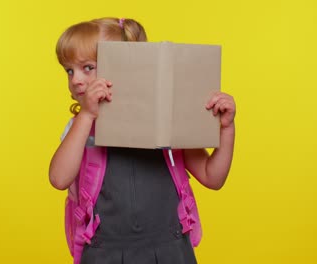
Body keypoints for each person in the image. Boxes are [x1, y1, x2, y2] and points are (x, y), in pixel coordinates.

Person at [49, 17, 236, 264]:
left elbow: (213, 177)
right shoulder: (80, 128)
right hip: (105, 251)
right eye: (69, 70)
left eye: (88, 67)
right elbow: (59, 179)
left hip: (169, 248)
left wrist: (227, 129)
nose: (76, 80)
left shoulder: (165, 122)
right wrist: (86, 116)